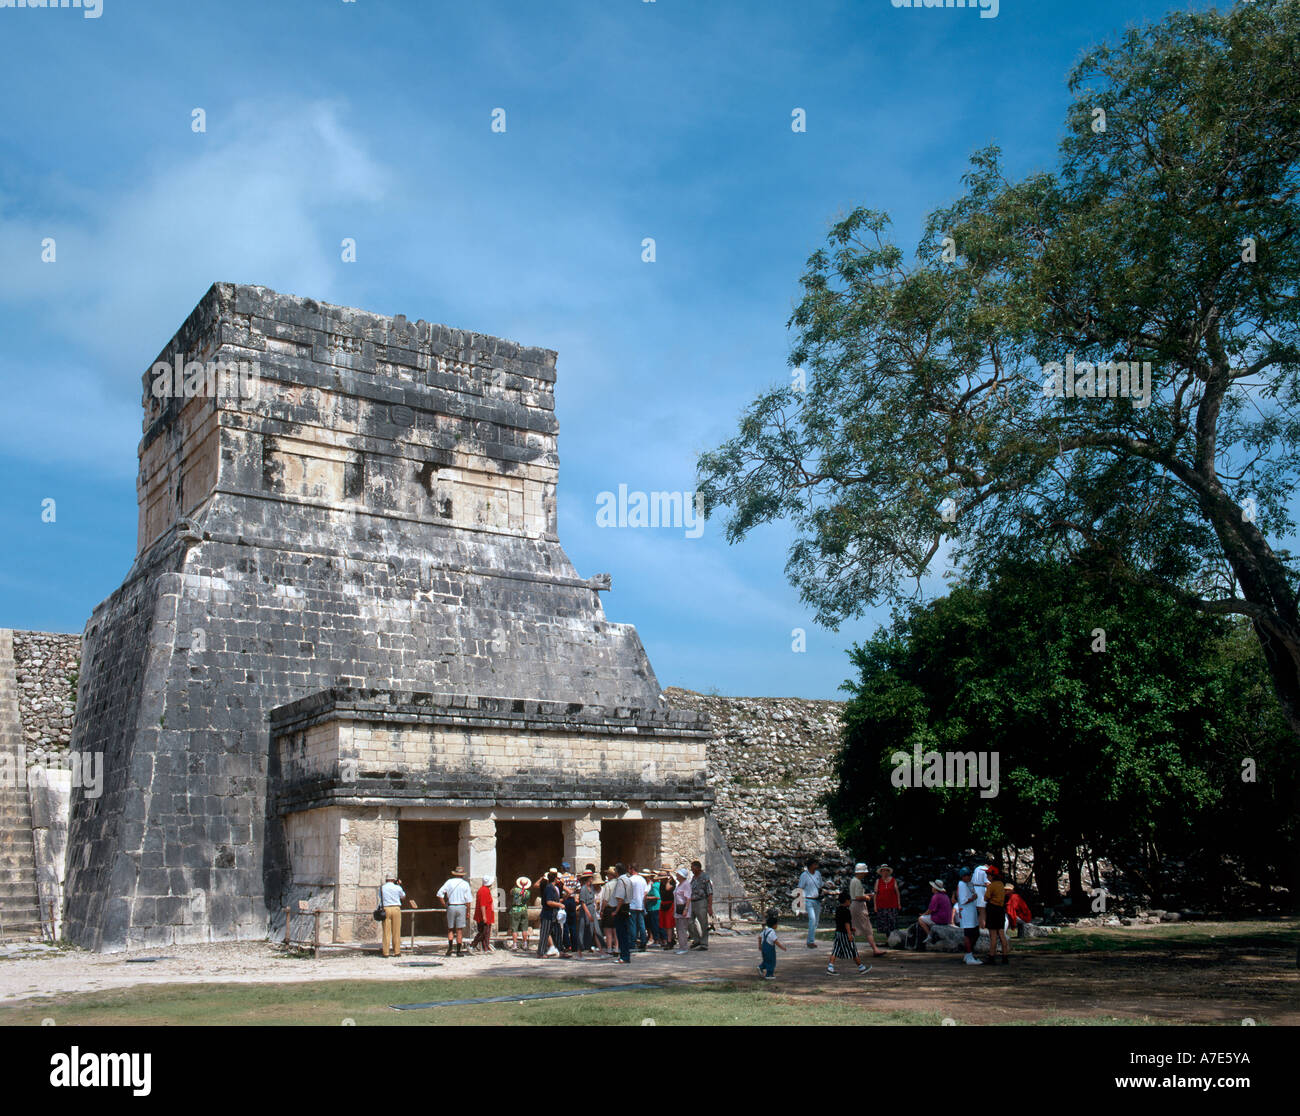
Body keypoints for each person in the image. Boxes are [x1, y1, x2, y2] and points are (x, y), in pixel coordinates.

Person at [827, 890, 871, 975]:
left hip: (838, 933)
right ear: (847, 901)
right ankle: (861, 967)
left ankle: (830, 967)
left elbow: (840, 922)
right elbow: (846, 923)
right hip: (845, 934)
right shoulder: (846, 911)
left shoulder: (838, 910)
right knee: (853, 950)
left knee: (836, 950)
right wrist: (849, 933)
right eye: (849, 900)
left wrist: (851, 929)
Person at [849, 863, 885, 957]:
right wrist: (867, 898)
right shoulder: (857, 882)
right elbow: (857, 897)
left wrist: (866, 895)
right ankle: (875, 949)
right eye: (864, 872)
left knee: (853, 927)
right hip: (859, 906)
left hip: (854, 905)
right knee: (867, 928)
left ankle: (846, 947)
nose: (865, 874)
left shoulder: (854, 881)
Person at [437, 866, 474, 957]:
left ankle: (449, 948)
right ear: (462, 875)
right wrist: (468, 912)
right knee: (459, 930)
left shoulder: (449, 882)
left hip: (451, 906)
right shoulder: (465, 884)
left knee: (450, 929)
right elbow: (468, 900)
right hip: (461, 906)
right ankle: (458, 951)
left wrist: (445, 904)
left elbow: (439, 894)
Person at [378, 874, 415, 958]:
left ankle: (386, 952)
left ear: (386, 880)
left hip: (386, 909)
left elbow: (380, 897)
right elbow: (403, 897)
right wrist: (399, 885)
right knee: (396, 931)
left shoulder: (382, 888)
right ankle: (397, 951)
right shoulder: (398, 887)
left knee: (386, 932)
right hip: (396, 908)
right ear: (394, 880)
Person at [797, 858, 827, 948]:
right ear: (810, 865)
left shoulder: (818, 874)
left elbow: (820, 885)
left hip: (817, 900)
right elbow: (800, 888)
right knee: (812, 919)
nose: (816, 866)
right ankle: (810, 941)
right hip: (808, 900)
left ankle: (811, 938)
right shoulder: (804, 875)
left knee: (816, 921)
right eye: (815, 864)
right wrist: (799, 902)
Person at [916, 879, 952, 950]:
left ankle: (929, 935)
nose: (932, 888)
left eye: (933, 887)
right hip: (947, 919)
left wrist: (923, 914)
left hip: (940, 919)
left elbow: (930, 910)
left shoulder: (936, 896)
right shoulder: (945, 896)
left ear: (935, 888)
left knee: (920, 919)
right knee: (925, 917)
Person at [956, 865, 981, 965]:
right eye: (968, 875)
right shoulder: (961, 884)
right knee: (968, 934)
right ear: (963, 876)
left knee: (975, 933)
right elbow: (963, 900)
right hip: (967, 914)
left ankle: (968, 954)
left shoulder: (968, 884)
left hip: (971, 912)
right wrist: (973, 898)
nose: (970, 877)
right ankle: (969, 955)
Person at [608, 862, 633, 963]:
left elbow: (620, 898)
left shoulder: (621, 881)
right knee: (624, 934)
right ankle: (625, 955)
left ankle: (624, 956)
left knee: (621, 934)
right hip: (627, 908)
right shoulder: (628, 879)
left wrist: (616, 911)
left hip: (621, 909)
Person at [984, 866, 1009, 963]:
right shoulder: (1001, 885)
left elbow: (986, 898)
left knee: (993, 935)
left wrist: (987, 888)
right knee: (1002, 933)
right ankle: (1005, 956)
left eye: (988, 875)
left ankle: (991, 956)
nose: (987, 876)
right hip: (1000, 910)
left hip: (992, 910)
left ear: (992, 876)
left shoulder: (991, 886)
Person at [538, 869, 564, 957]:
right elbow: (549, 902)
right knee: (545, 934)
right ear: (555, 879)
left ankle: (560, 951)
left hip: (554, 914)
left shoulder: (553, 888)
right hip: (548, 914)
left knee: (557, 933)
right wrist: (559, 904)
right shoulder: (549, 888)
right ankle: (540, 953)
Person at [688, 860, 713, 950]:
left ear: (698, 868)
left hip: (701, 902)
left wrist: (710, 906)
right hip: (692, 901)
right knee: (689, 922)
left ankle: (704, 943)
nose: (691, 870)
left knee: (703, 923)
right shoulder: (693, 878)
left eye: (693, 868)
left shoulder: (705, 877)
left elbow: (710, 892)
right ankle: (696, 939)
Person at [874, 864, 901, 939]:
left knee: (892, 923)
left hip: (892, 905)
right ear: (881, 872)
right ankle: (887, 939)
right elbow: (875, 894)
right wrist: (875, 906)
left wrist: (899, 903)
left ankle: (893, 939)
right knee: (884, 924)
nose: (885, 872)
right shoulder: (878, 881)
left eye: (886, 870)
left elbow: (897, 892)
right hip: (881, 905)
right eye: (883, 871)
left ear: (888, 872)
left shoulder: (893, 880)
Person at [576, 870, 600, 955]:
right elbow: (582, 903)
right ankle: (580, 948)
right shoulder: (583, 889)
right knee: (582, 929)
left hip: (592, 908)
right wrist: (588, 913)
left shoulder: (591, 888)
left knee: (593, 928)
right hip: (586, 910)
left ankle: (593, 947)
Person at [758, 909, 786, 979]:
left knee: (766, 960)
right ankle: (769, 975)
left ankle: (761, 967)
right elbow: (776, 941)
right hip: (769, 949)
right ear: (774, 925)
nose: (777, 925)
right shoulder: (772, 932)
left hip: (764, 948)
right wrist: (782, 947)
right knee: (771, 961)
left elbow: (759, 937)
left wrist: (760, 945)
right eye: (776, 924)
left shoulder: (765, 930)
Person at [471, 875, 496, 952]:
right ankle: (473, 944)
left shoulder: (484, 890)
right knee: (483, 932)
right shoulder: (484, 891)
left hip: (487, 914)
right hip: (484, 915)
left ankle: (485, 947)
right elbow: (483, 904)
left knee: (486, 932)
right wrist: (484, 916)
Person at [559, 861, 579, 953]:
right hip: (572, 900)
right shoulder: (574, 878)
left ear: (562, 868)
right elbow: (578, 888)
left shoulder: (562, 878)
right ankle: (575, 945)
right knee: (573, 923)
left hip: (565, 900)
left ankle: (567, 945)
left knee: (565, 923)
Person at [629, 864, 649, 951]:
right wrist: (644, 905)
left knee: (632, 925)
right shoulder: (642, 880)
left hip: (632, 905)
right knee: (642, 925)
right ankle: (643, 942)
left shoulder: (630, 880)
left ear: (632, 869)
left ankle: (632, 943)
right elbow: (645, 894)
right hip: (640, 905)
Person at [509, 876, 532, 952]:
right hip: (524, 909)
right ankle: (525, 944)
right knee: (524, 928)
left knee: (514, 928)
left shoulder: (515, 890)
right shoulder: (527, 892)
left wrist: (516, 885)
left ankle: (515, 944)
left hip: (515, 909)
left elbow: (510, 892)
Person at [971, 852, 993, 931]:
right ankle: (982, 928)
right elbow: (987, 883)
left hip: (975, 889)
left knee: (976, 911)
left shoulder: (977, 868)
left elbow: (972, 880)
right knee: (982, 911)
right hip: (981, 890)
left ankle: (975, 927)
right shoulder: (986, 870)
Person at [600, 866, 619, 954]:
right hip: (618, 907)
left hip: (609, 908)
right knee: (616, 929)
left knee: (608, 929)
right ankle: (617, 947)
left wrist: (602, 909)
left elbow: (605, 899)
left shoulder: (608, 885)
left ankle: (609, 948)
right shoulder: (620, 883)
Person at [673, 867, 692, 953]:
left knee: (682, 929)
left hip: (683, 908)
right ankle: (681, 946)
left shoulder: (686, 884)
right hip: (678, 908)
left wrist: (686, 909)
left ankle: (684, 947)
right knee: (679, 928)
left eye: (678, 874)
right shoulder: (679, 884)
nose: (676, 875)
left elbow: (688, 898)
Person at [658, 870, 676, 949]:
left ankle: (669, 941)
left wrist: (668, 881)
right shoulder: (661, 884)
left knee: (669, 924)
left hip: (670, 904)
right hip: (663, 904)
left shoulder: (672, 883)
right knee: (665, 924)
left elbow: (668, 888)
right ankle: (671, 939)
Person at [645, 871, 663, 946]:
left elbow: (657, 896)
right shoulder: (660, 884)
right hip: (658, 906)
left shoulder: (655, 885)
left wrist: (647, 897)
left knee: (655, 924)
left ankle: (656, 940)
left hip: (654, 907)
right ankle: (660, 940)